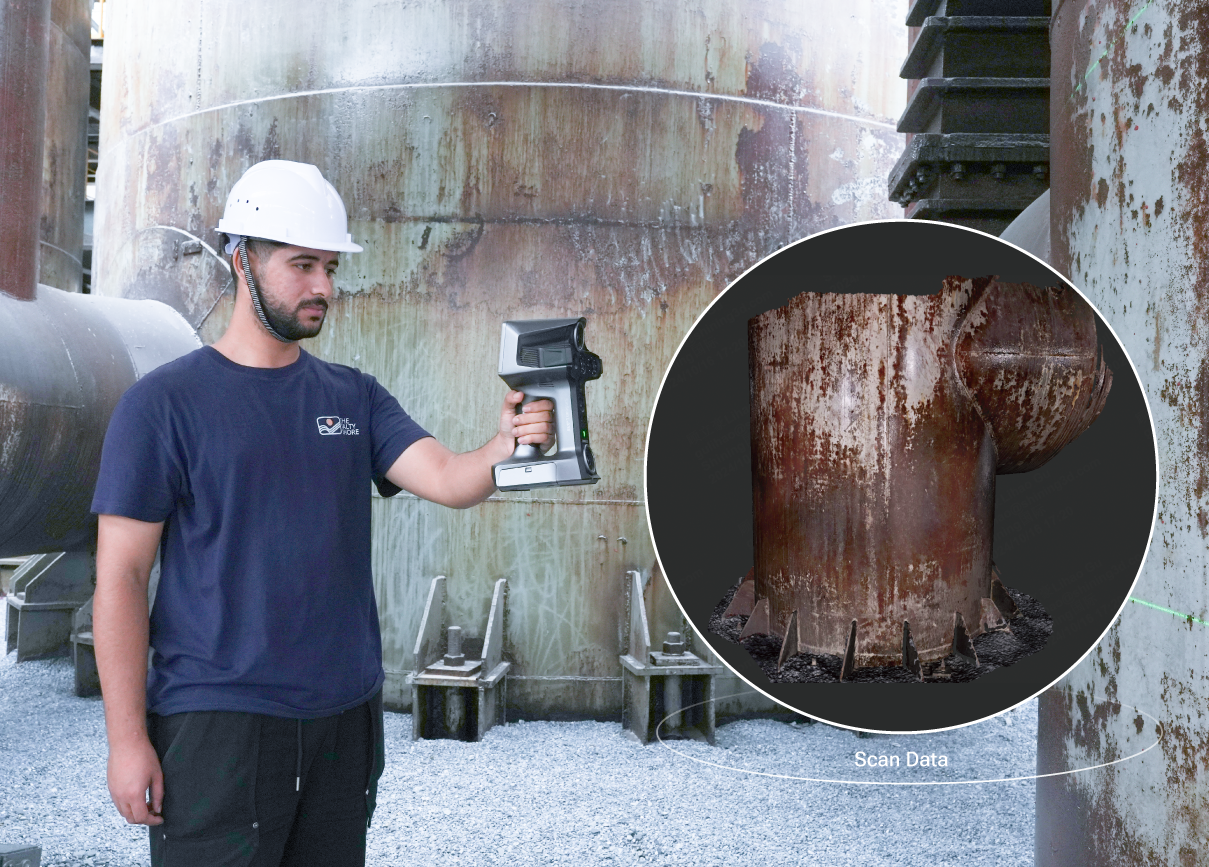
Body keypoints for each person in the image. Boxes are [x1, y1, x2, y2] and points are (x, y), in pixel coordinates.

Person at [90, 159, 554, 866]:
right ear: (241, 259)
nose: (323, 288)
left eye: (330, 267)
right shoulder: (162, 405)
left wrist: (506, 443)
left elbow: (451, 478)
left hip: (345, 719)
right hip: (217, 722)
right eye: (302, 264)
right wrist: (127, 740)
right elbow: (120, 577)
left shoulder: (353, 396)